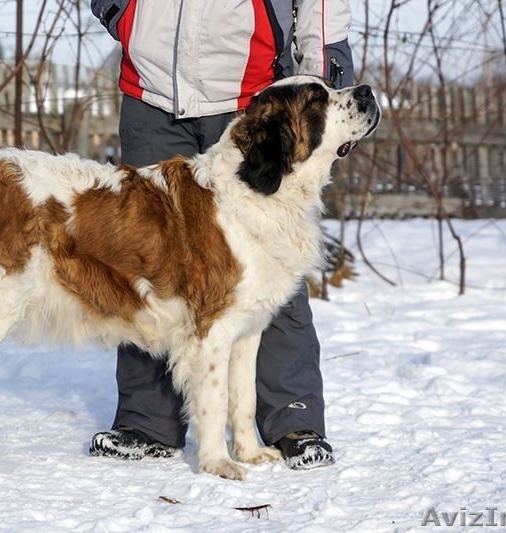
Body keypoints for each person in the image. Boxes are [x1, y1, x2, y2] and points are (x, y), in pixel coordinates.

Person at [88, 0, 354, 470]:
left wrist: (322, 64)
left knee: (269, 270)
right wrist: (121, 14)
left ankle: (293, 420)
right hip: (150, 90)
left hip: (248, 89)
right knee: (147, 261)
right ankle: (147, 422)